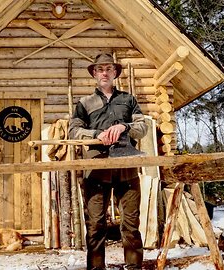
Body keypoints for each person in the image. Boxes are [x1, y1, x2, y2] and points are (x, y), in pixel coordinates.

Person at [68, 53, 147, 270]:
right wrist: (96, 135)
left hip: (127, 169)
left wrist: (125, 127)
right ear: (94, 73)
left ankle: (133, 267)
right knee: (95, 225)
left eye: (108, 69)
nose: (104, 73)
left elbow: (143, 127)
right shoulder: (84, 103)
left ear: (115, 73)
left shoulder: (128, 100)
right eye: (100, 69)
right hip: (96, 170)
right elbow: (73, 131)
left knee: (131, 224)